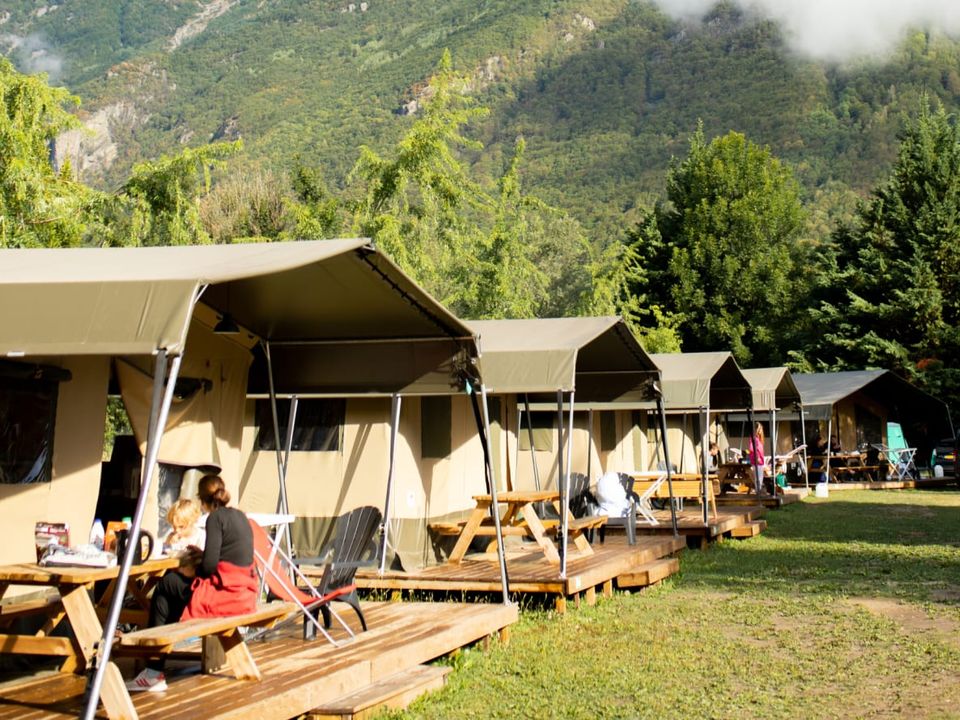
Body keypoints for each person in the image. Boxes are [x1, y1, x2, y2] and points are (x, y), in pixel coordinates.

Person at [126, 475, 257, 693]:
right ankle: (154, 667)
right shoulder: (240, 516)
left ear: (202, 500)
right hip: (245, 592)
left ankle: (153, 671)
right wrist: (201, 556)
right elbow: (228, 556)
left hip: (226, 597)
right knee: (173, 593)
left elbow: (209, 567)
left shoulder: (214, 519)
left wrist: (191, 567)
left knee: (167, 585)